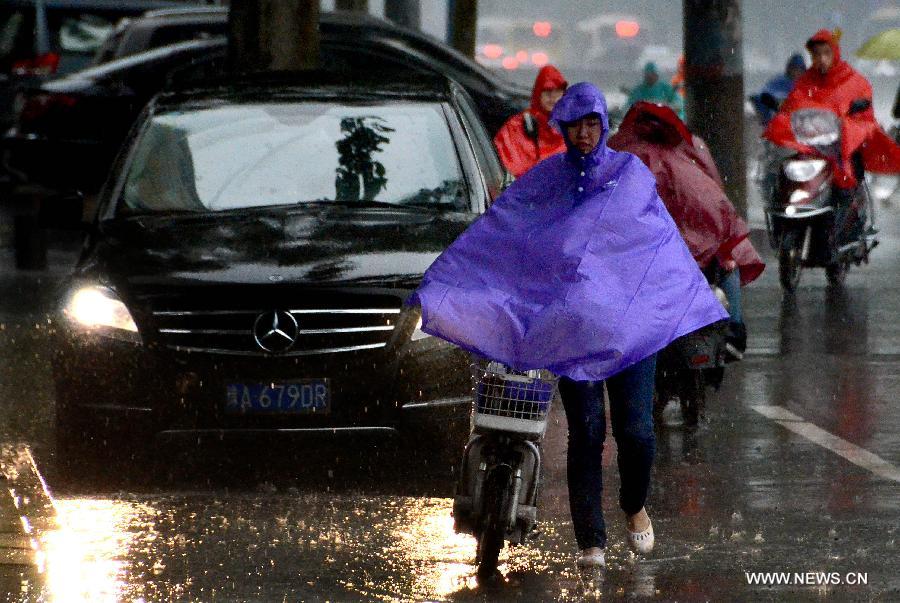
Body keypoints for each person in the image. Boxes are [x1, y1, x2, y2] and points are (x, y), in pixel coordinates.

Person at [411, 83, 727, 569]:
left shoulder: (629, 175)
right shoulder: (545, 182)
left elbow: (655, 242)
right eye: (575, 125)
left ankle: (633, 507)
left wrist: (683, 291)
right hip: (574, 334)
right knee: (586, 431)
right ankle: (591, 542)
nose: (584, 134)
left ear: (604, 126)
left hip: (631, 331)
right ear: (563, 127)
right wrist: (461, 285)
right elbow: (507, 233)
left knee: (638, 432)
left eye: (592, 124)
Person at [609, 101, 765, 354]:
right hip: (694, 246)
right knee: (729, 260)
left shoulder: (622, 149)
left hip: (649, 252)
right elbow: (716, 199)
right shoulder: (691, 148)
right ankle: (734, 333)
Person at [765, 30, 900, 245]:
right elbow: (794, 106)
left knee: (848, 178)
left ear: (834, 53)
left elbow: (864, 115)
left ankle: (847, 231)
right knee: (781, 173)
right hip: (812, 149)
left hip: (840, 148)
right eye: (817, 54)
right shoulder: (805, 83)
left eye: (826, 53)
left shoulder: (853, 80)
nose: (821, 59)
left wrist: (849, 124)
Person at [493, 64, 568, 177]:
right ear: (538, 93)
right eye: (547, 91)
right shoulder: (517, 126)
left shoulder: (573, 127)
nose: (552, 96)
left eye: (557, 91)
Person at [750, 53, 806, 126]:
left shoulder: (806, 84)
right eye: (794, 69)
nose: (797, 72)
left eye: (800, 70)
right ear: (789, 69)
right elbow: (762, 95)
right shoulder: (780, 81)